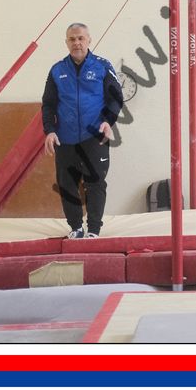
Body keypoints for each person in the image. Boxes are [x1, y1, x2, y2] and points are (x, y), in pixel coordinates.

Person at [42, 22, 123, 238]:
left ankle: (94, 229)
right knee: (67, 184)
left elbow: (116, 98)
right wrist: (49, 130)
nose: (76, 42)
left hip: (94, 135)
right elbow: (48, 104)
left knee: (95, 183)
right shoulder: (57, 70)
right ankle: (76, 227)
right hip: (65, 138)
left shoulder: (102, 66)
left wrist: (108, 121)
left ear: (89, 40)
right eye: (72, 39)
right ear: (66, 42)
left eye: (80, 38)